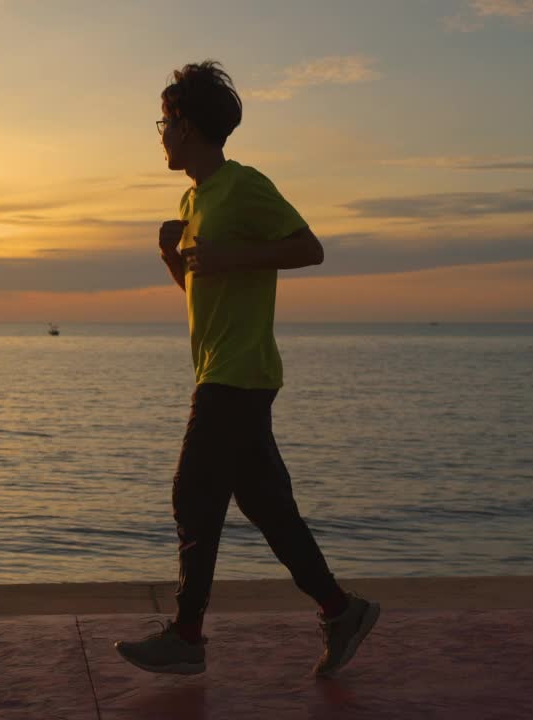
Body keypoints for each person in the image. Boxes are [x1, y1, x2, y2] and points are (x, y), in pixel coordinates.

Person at [114, 60, 380, 678]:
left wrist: (235, 253)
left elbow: (309, 248)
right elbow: (201, 290)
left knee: (192, 496)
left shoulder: (244, 185)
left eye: (165, 120)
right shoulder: (192, 198)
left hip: (238, 372)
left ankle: (186, 635)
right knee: (267, 508)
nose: (159, 133)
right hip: (221, 367)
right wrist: (169, 258)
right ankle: (342, 611)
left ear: (187, 125)